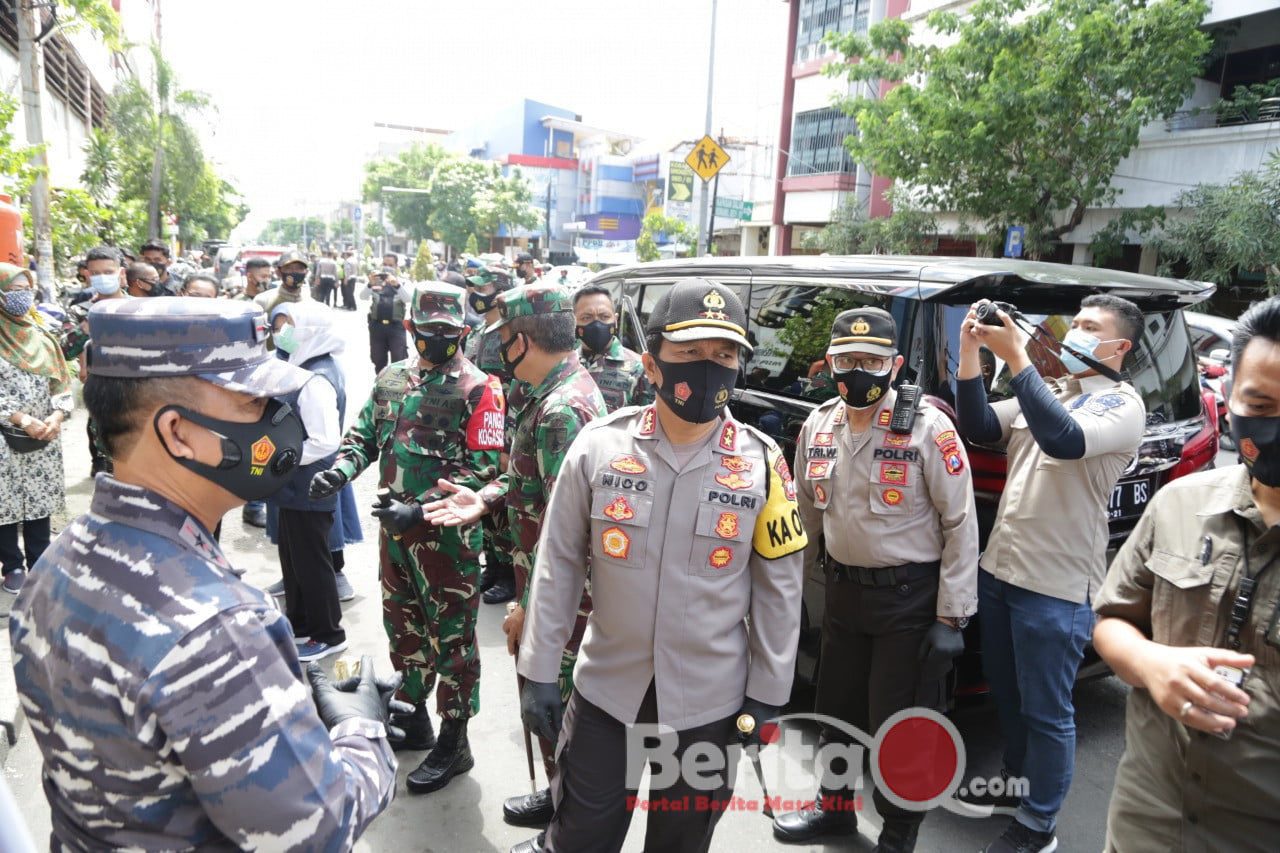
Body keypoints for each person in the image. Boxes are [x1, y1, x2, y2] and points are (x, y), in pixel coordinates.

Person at [9, 298, 401, 849]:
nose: (275, 418)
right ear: (178, 431)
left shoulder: (58, 561)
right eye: (253, 401)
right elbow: (319, 830)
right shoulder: (216, 625)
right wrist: (360, 726)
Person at [479, 278, 806, 853]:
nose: (709, 368)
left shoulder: (764, 462)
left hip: (711, 701)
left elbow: (780, 588)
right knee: (581, 835)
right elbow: (557, 564)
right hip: (608, 690)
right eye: (691, 354)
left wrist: (768, 693)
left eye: (724, 355)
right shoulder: (600, 447)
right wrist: (537, 669)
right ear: (652, 363)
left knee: (681, 843)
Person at [773, 307, 978, 852]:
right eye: (847, 360)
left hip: (908, 604)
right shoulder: (819, 425)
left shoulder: (929, 427)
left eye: (871, 360)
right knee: (835, 709)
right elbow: (804, 523)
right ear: (830, 363)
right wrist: (788, 599)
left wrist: (951, 617)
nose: (857, 371)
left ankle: (898, 832)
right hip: (842, 595)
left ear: (896, 364)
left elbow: (961, 523)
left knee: (902, 725)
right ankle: (834, 808)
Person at [954, 295, 1146, 853]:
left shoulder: (1120, 404)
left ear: (1119, 347)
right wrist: (972, 353)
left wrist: (1017, 358)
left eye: (1090, 327)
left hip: (1057, 587)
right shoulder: (1055, 391)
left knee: (1047, 712)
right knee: (1009, 699)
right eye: (1075, 323)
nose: (1076, 332)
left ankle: (1040, 826)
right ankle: (1018, 788)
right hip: (1003, 573)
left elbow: (1064, 440)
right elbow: (980, 424)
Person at [1092, 296, 1280, 853]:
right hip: (1148, 816)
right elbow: (1111, 619)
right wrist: (1151, 664)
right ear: (1229, 400)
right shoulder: (1179, 503)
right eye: (1261, 404)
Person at [422, 284, 606, 837]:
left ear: (522, 340)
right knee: (553, 718)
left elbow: (568, 531)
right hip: (548, 592)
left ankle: (566, 828)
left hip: (559, 603)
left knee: (560, 717)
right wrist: (486, 496)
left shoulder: (560, 410)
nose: (498, 348)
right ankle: (557, 799)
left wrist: (530, 609)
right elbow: (534, 477)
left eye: (502, 338)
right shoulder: (555, 394)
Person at [311, 282, 506, 794]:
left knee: (454, 642)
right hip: (393, 537)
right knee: (404, 628)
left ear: (463, 332)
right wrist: (341, 471)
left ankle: (456, 740)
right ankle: (413, 714)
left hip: (447, 542)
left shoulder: (481, 388)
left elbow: (485, 469)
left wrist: (417, 510)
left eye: (446, 333)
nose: (434, 340)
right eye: (425, 331)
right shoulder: (391, 378)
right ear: (409, 328)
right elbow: (364, 438)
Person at [267, 302, 348, 661]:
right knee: (294, 558)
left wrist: (285, 458)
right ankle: (299, 626)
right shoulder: (302, 367)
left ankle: (328, 633)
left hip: (309, 482)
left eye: (289, 327)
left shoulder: (317, 378)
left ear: (311, 332)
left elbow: (325, 440)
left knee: (313, 563)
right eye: (278, 326)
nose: (281, 334)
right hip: (293, 484)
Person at [0, 264, 72, 595]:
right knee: (5, 504)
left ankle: (41, 561)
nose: (21, 297)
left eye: (25, 290)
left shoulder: (43, 336)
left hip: (44, 434)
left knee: (39, 501)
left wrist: (57, 416)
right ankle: (12, 566)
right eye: (12, 290)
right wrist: (20, 419)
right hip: (4, 435)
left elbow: (61, 384)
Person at [463, 268, 519, 604]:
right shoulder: (478, 333)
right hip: (479, 430)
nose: (474, 294)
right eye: (472, 288)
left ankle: (510, 574)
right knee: (483, 501)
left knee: (505, 508)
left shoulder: (510, 333)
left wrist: (507, 443)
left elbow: (518, 392)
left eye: (481, 287)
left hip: (505, 431)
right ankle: (494, 565)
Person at [572, 284, 653, 412]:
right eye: (586, 317)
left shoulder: (639, 369)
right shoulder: (567, 366)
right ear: (574, 321)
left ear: (615, 320)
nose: (597, 324)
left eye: (604, 317)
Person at [362, 266, 412, 372]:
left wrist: (397, 285)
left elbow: (408, 299)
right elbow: (363, 296)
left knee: (399, 359)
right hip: (377, 326)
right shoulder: (375, 284)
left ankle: (396, 386)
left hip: (396, 327)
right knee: (378, 359)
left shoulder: (402, 284)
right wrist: (370, 284)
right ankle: (380, 384)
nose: (385, 274)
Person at [265, 249, 310, 315]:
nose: (294, 271)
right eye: (288, 268)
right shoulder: (264, 301)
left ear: (306, 273)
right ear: (278, 272)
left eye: (300, 268)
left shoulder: (310, 303)